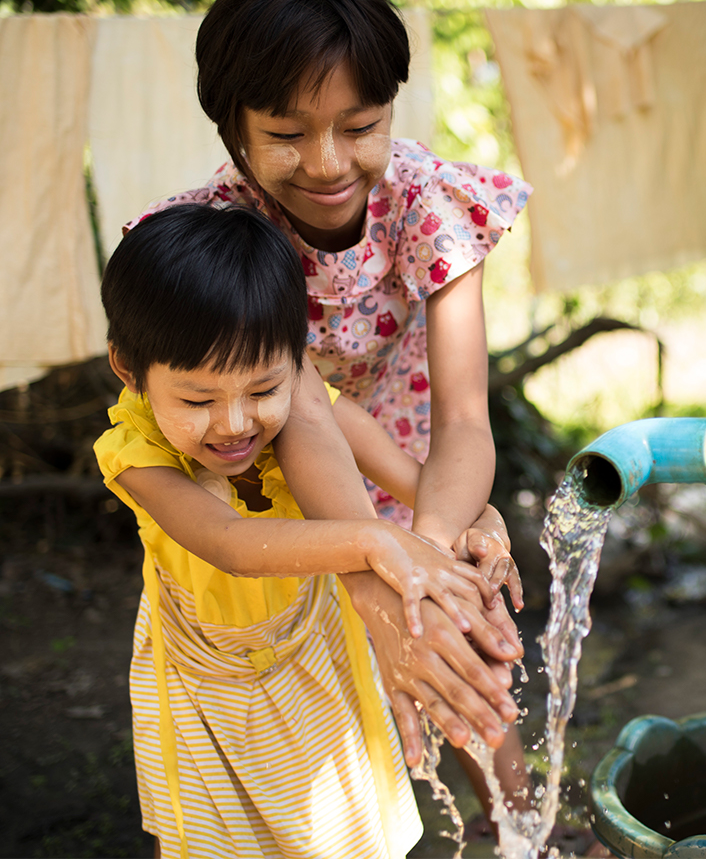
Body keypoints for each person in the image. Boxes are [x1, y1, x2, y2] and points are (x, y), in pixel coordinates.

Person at [130, 0, 535, 829]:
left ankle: (532, 831)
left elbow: (466, 418)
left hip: (412, 454)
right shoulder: (221, 233)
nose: (326, 163)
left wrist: (420, 567)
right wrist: (376, 576)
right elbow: (307, 410)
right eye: (286, 133)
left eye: (361, 125)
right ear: (232, 126)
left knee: (460, 648)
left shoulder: (427, 204)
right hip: (273, 466)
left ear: (391, 106)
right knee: (316, 680)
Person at [96, 204, 525, 857]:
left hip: (317, 649)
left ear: (294, 363)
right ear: (130, 369)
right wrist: (375, 539)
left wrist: (480, 522)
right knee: (215, 838)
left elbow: (420, 482)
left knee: (345, 831)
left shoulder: (305, 401)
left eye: (262, 388)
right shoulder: (135, 451)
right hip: (206, 679)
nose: (235, 423)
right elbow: (230, 544)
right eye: (198, 401)